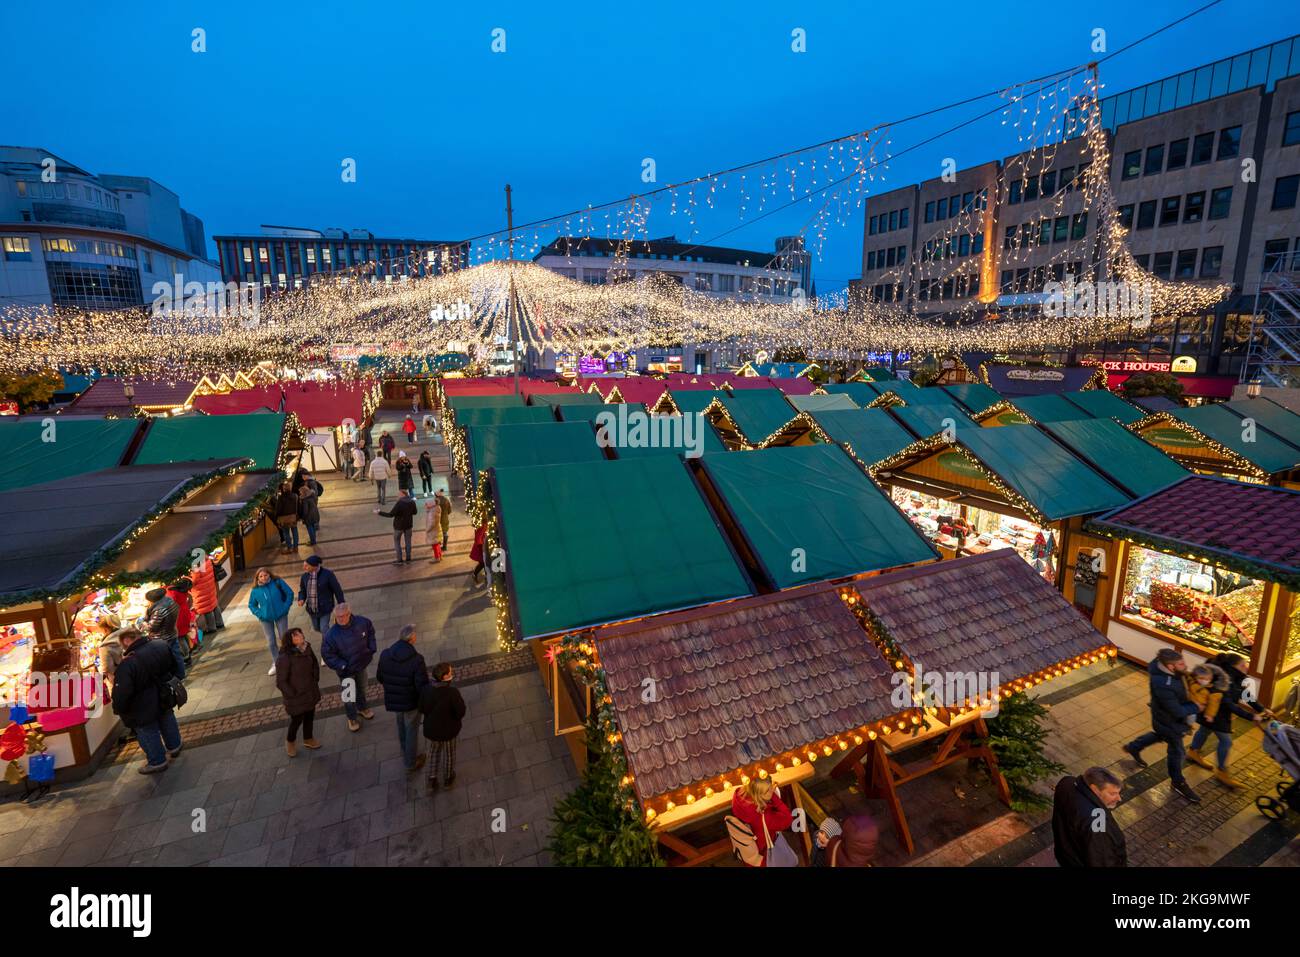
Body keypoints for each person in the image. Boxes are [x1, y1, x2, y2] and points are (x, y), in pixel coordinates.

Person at [1123, 648, 1201, 803]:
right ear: (1170, 667)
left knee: (1159, 735)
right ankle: (1178, 782)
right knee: (1177, 752)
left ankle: (1133, 747)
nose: (1185, 665)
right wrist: (1196, 707)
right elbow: (1176, 710)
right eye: (1181, 664)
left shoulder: (1169, 672)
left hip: (1165, 721)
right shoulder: (1164, 684)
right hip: (1169, 722)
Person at [1187, 654, 1270, 789]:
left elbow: (1245, 694)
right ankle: (1221, 771)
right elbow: (1229, 705)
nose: (1246, 667)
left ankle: (1193, 752)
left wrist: (1262, 708)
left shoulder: (1235, 677)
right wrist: (1252, 716)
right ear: (1233, 667)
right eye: (1243, 665)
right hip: (1215, 714)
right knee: (1226, 741)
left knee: (1205, 730)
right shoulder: (1224, 681)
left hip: (1214, 713)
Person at [111, 629, 182, 774]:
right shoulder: (160, 644)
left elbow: (122, 692)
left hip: (141, 704)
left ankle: (157, 761)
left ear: (126, 640)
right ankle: (175, 746)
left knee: (147, 730)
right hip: (163, 693)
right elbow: (175, 665)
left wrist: (118, 707)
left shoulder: (128, 663)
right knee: (167, 717)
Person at [376, 624, 430, 773]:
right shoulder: (417, 660)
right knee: (411, 729)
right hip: (411, 702)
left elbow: (380, 677)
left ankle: (404, 749)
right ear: (412, 639)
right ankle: (410, 762)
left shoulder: (385, 654)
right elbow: (421, 685)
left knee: (401, 725)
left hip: (395, 700)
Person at [1052, 766, 1127, 866]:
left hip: (1064, 854)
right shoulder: (1097, 824)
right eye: (1112, 794)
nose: (1119, 798)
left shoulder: (1067, 783)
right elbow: (1102, 860)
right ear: (1094, 789)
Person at [321, 602, 376, 732]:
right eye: (338, 617)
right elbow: (327, 655)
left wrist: (371, 649)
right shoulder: (331, 635)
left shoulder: (362, 622)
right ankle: (352, 717)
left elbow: (371, 634)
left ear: (349, 614)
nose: (341, 619)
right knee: (349, 696)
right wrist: (342, 665)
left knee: (362, 688)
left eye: (344, 616)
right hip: (346, 671)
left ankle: (362, 708)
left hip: (361, 665)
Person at [275, 627, 322, 757]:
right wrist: (293, 694)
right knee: (296, 720)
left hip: (309, 691)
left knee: (309, 716)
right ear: (290, 640)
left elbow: (314, 663)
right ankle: (290, 741)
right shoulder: (284, 658)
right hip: (296, 697)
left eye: (300, 633)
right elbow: (281, 682)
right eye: (295, 635)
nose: (300, 635)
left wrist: (315, 679)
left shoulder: (306, 648)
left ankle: (308, 739)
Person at [419, 661, 466, 790]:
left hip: (432, 730)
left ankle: (432, 779)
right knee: (449, 754)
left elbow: (422, 708)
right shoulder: (452, 692)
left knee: (434, 752)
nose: (452, 673)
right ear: (445, 677)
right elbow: (460, 712)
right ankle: (448, 779)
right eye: (450, 672)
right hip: (449, 731)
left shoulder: (426, 690)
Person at [729, 778, 794, 867]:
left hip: (748, 851)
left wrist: (767, 793)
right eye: (768, 789)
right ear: (759, 795)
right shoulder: (766, 817)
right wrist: (775, 798)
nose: (772, 789)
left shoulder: (739, 798)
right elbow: (788, 820)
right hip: (764, 856)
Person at [248, 567, 295, 676]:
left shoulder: (278, 582)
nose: (263, 578)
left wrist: (285, 608)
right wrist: (260, 614)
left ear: (269, 575)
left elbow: (290, 593)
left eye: (265, 575)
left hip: (281, 615)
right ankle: (276, 662)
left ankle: (289, 660)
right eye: (261, 576)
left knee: (284, 638)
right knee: (271, 642)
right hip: (265, 619)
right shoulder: (255, 590)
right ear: (257, 578)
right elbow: (251, 605)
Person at [141, 586, 185, 681]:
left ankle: (176, 677)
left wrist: (144, 623)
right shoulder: (169, 601)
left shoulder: (159, 610)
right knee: (177, 655)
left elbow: (152, 627)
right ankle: (181, 674)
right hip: (172, 633)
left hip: (163, 638)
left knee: (167, 659)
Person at [298, 555, 345, 633]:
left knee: (324, 628)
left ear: (314, 566)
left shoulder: (328, 574)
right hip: (312, 608)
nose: (304, 568)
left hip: (325, 607)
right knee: (317, 628)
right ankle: (330, 635)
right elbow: (302, 590)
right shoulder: (304, 576)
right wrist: (301, 598)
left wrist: (342, 604)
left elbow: (337, 590)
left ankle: (328, 640)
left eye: (306, 566)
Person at [377, 488, 418, 565]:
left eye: (399, 494)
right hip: (408, 525)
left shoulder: (399, 503)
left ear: (403, 494)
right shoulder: (412, 501)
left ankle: (399, 560)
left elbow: (391, 514)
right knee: (408, 542)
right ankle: (408, 558)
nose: (397, 495)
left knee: (397, 542)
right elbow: (415, 512)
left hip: (399, 526)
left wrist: (380, 512)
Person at [94, 612, 128, 698]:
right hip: (138, 673)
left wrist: (98, 667)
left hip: (121, 680)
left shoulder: (105, 646)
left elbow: (107, 669)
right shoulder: (129, 634)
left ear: (105, 629)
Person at [165, 578, 197, 667]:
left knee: (180, 637)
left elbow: (169, 604)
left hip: (178, 616)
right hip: (184, 613)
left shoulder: (172, 593)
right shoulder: (183, 591)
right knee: (184, 634)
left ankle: (186, 658)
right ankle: (190, 651)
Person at [188, 555, 224, 633]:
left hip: (202, 591)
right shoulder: (207, 560)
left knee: (207, 609)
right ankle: (220, 623)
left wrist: (188, 576)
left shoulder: (196, 566)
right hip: (210, 587)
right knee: (214, 605)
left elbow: (194, 580)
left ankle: (211, 628)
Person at [274, 482, 300, 553]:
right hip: (293, 517)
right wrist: (298, 516)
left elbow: (278, 509)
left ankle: (289, 548)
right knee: (295, 532)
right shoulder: (295, 496)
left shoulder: (281, 497)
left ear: (284, 489)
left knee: (286, 533)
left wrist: (276, 517)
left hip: (284, 519)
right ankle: (296, 547)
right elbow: (298, 506)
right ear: (291, 488)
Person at [298, 478, 322, 546]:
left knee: (309, 528)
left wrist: (303, 517)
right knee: (313, 528)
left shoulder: (305, 500)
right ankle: (314, 540)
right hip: (315, 514)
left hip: (309, 517)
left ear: (304, 492)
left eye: (300, 492)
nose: (300, 493)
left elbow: (305, 510)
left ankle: (312, 541)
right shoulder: (312, 496)